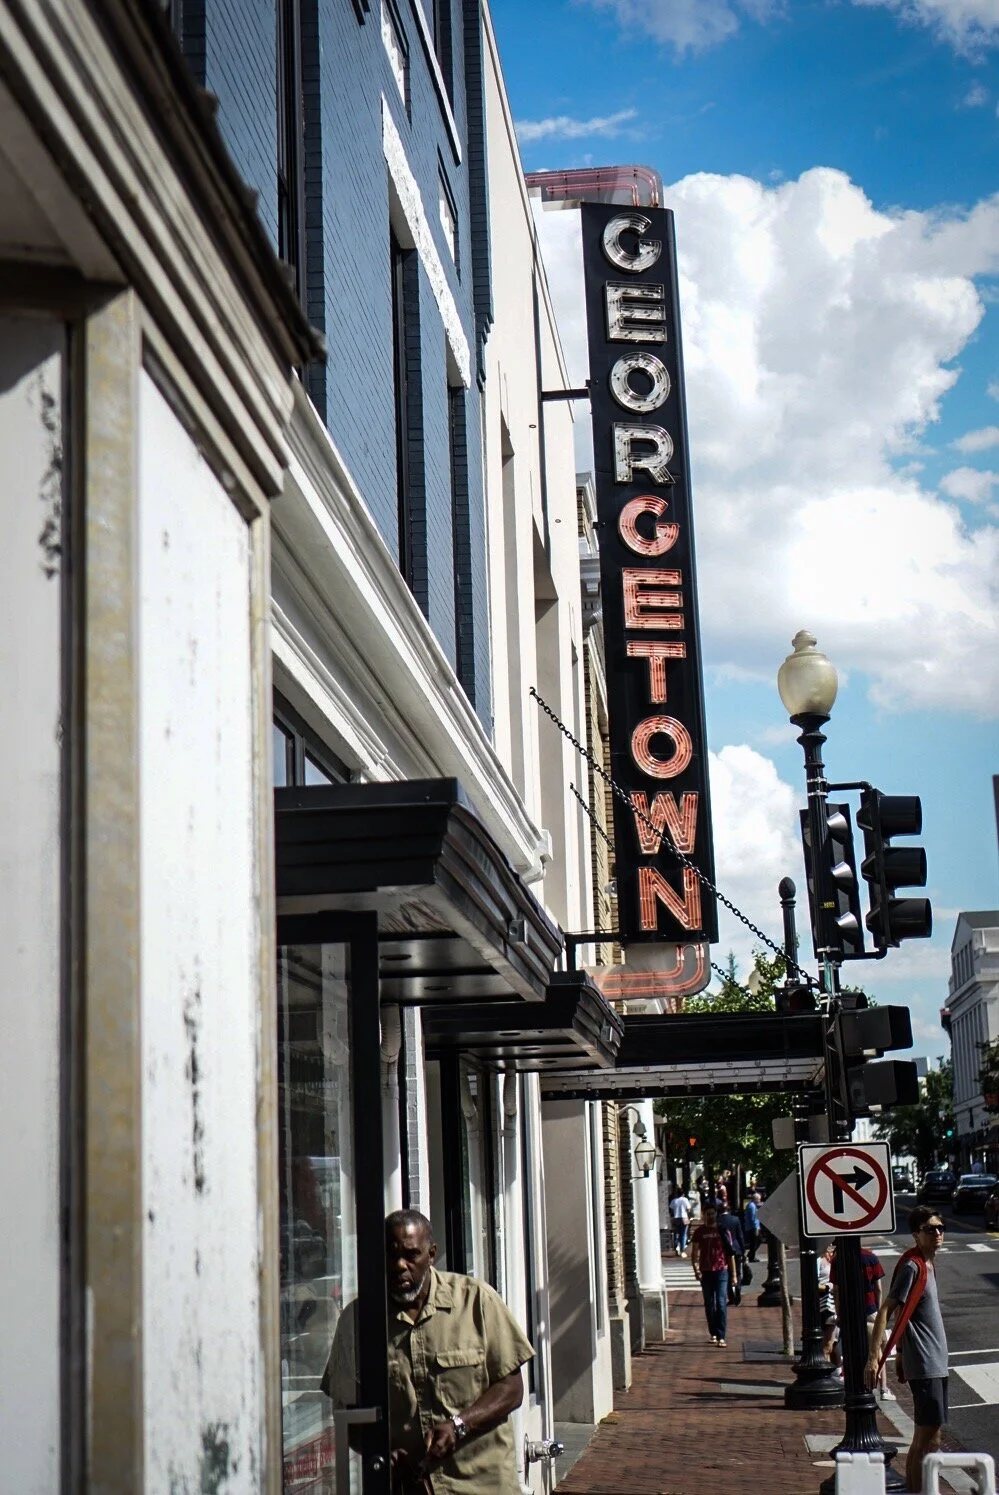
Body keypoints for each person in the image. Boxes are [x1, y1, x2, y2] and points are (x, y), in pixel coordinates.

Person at [324, 1210, 534, 1492]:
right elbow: (346, 1413)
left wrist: (459, 1425)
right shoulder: (357, 1322)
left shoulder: (477, 1301)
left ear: (431, 1254)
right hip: (409, 1487)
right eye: (390, 1255)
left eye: (411, 1255)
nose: (400, 1265)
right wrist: (380, 1451)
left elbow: (511, 1389)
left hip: (482, 1484)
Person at [864, 1207, 949, 1493]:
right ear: (916, 1234)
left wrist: (900, 1351)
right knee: (929, 1439)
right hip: (926, 1363)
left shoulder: (927, 1263)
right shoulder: (913, 1266)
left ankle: (914, 1490)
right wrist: (874, 1358)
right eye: (930, 1229)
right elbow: (886, 1309)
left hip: (933, 1361)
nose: (937, 1233)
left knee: (926, 1437)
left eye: (940, 1228)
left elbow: (907, 1313)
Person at [831, 1241, 890, 1398]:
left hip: (849, 1312)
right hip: (870, 1309)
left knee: (852, 1350)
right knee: (877, 1348)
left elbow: (837, 1291)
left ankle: (856, 1384)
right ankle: (883, 1388)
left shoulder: (837, 1261)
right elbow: (878, 1288)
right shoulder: (870, 1257)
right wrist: (878, 1310)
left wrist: (839, 1313)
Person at [691, 1203, 737, 1347]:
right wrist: (696, 1269)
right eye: (707, 1214)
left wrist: (734, 1275)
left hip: (721, 1270)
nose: (710, 1216)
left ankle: (721, 1336)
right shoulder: (699, 1232)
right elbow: (694, 1253)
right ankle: (714, 1333)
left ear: (716, 1214)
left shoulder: (723, 1230)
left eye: (712, 1213)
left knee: (721, 1302)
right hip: (706, 1271)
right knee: (709, 1303)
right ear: (703, 1215)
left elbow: (730, 1253)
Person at [817, 1242, 841, 1371]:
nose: (831, 1248)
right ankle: (827, 1373)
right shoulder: (818, 1261)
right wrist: (827, 1287)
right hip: (826, 1306)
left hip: (835, 1305)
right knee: (828, 1344)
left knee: (834, 1343)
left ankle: (837, 1372)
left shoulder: (835, 1259)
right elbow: (812, 1282)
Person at [717, 1199, 746, 1304]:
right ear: (729, 1210)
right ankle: (738, 1289)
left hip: (723, 1249)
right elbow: (740, 1236)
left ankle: (731, 1296)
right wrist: (743, 1249)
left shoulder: (718, 1221)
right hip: (736, 1248)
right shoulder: (735, 1219)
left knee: (727, 1272)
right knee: (737, 1272)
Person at [668, 1187, 691, 1257]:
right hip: (684, 1217)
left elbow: (671, 1209)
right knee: (683, 1234)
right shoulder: (685, 1199)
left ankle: (676, 1247)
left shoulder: (674, 1201)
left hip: (676, 1218)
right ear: (683, 1193)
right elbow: (688, 1208)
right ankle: (682, 1250)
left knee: (676, 1234)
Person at [743, 1191, 761, 1262]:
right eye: (759, 1199)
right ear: (755, 1199)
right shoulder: (752, 1206)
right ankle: (752, 1256)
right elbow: (753, 1218)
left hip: (753, 1227)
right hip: (753, 1227)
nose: (759, 1201)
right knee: (754, 1242)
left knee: (757, 1241)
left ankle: (751, 1254)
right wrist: (756, 1228)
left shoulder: (751, 1205)